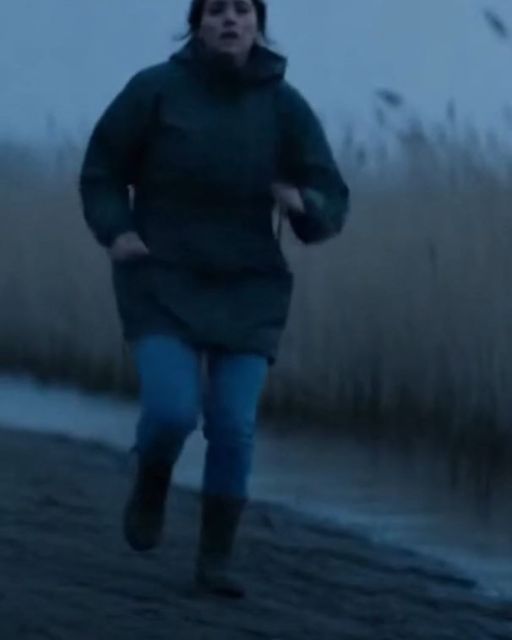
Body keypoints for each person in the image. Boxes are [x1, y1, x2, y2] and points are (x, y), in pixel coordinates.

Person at [79, 0, 349, 599]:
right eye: (217, 10)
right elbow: (101, 170)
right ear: (197, 23)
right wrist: (116, 229)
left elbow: (331, 195)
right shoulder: (155, 90)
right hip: (161, 277)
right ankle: (152, 479)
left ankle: (214, 561)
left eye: (243, 10)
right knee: (172, 412)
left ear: (258, 24)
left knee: (233, 425)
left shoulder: (284, 105)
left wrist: (302, 203)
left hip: (249, 286)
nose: (231, 20)